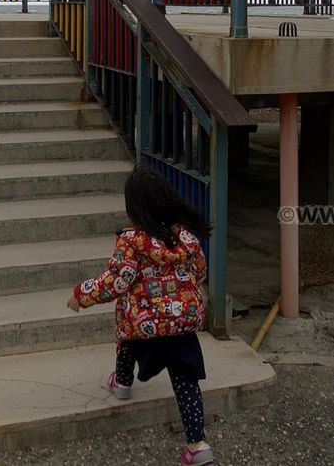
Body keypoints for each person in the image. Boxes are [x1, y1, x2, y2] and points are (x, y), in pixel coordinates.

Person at [67, 166, 214, 465]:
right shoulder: (186, 238)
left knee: (127, 334)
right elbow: (199, 271)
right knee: (186, 379)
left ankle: (122, 382)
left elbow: (116, 281)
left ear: (133, 206)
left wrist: (82, 294)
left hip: (143, 325)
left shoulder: (132, 242)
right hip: (182, 325)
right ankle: (197, 445)